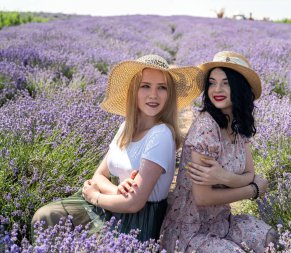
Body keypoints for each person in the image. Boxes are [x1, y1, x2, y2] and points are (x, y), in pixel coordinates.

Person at [31, 54, 203, 241]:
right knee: (45, 216)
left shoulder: (161, 134)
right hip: (112, 204)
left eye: (162, 88)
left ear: (169, 95)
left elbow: (134, 203)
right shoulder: (126, 127)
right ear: (133, 91)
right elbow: (99, 175)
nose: (153, 95)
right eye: (145, 86)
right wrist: (116, 190)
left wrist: (94, 197)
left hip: (135, 221)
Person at [160, 51, 277, 252]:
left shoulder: (238, 126)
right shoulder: (206, 128)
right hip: (190, 231)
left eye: (226, 83)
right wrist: (254, 190)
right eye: (212, 83)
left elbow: (249, 173)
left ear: (239, 87)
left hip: (223, 222)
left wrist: (225, 177)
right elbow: (203, 197)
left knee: (271, 240)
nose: (217, 89)